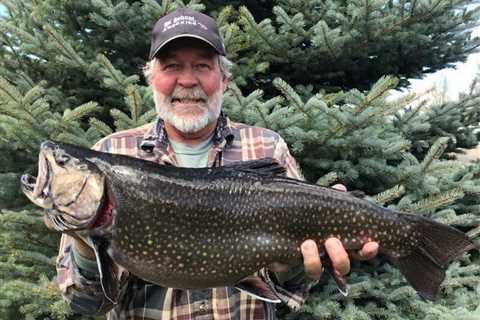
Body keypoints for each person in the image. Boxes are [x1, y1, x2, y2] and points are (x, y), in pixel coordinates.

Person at [54, 8, 379, 319]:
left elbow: (291, 288)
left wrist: (292, 267)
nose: (187, 80)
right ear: (151, 79)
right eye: (171, 67)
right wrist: (87, 244)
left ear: (223, 79)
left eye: (202, 66)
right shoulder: (106, 160)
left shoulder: (267, 147)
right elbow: (84, 302)